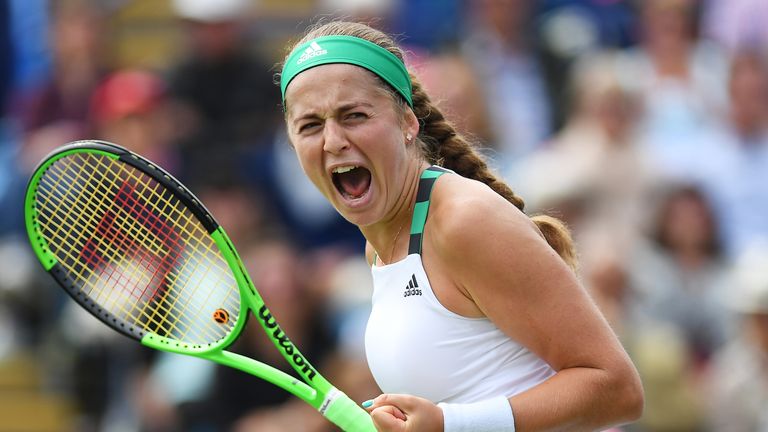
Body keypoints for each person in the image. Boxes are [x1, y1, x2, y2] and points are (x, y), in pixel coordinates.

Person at [277, 20, 644, 432]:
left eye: (355, 115)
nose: (332, 141)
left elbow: (618, 389)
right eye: (310, 125)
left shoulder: (463, 219)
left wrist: (451, 423)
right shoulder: (380, 244)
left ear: (407, 122)